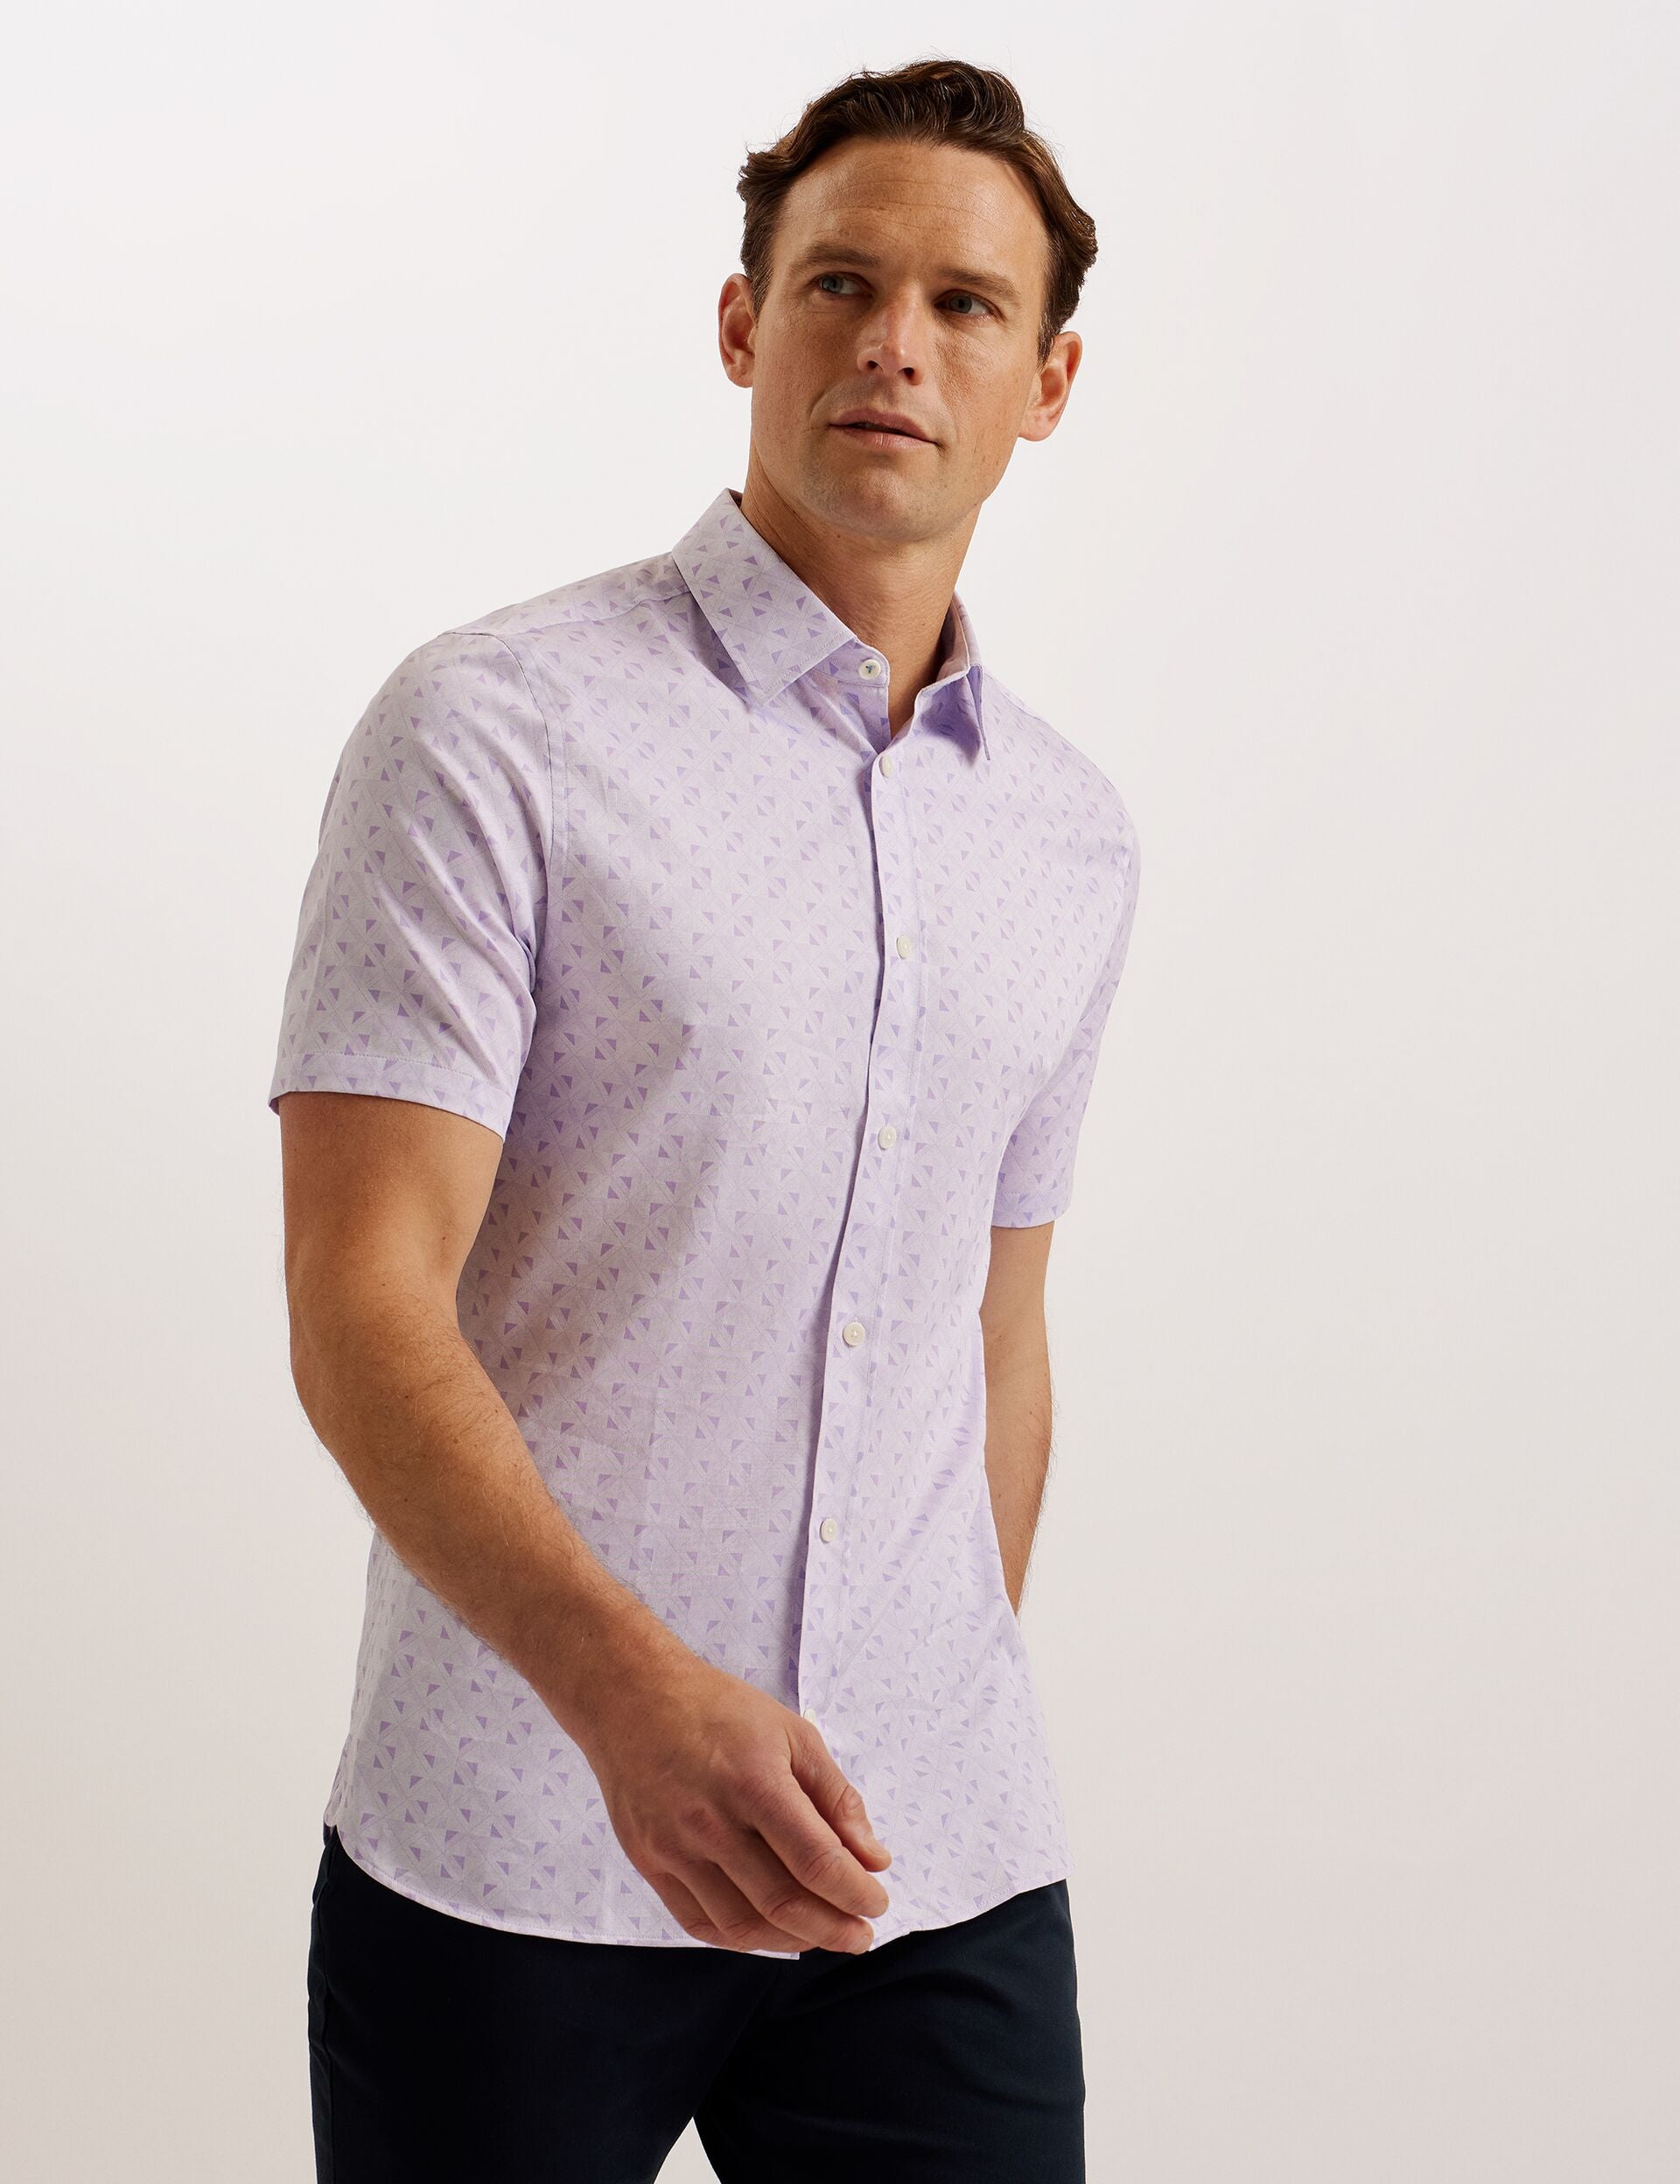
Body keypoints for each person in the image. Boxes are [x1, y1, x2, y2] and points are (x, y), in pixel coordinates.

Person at [270, 52, 1141, 2184]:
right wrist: (631, 1704)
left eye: (965, 305)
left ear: (1046, 384)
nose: (896, 344)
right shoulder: (497, 730)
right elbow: (363, 1297)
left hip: (922, 1863)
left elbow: (996, 1329)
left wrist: (923, 1695)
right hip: (513, 1845)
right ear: (746, 325)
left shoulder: (1071, 837)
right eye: (842, 283)